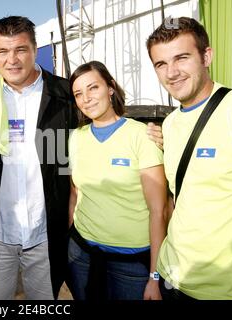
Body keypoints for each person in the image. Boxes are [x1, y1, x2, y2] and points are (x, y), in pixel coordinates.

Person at [0, 16, 79, 300]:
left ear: (35, 48)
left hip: (46, 232)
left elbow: (99, 131)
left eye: (20, 49)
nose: (12, 60)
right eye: (2, 52)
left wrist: (151, 132)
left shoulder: (66, 94)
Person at [146, 17, 232, 300]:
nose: (171, 73)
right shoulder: (170, 124)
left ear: (206, 56)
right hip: (173, 277)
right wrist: (156, 276)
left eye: (181, 58)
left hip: (220, 289)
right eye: (161, 64)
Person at [67, 61, 168, 300]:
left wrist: (155, 277)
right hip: (82, 255)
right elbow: (75, 192)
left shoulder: (141, 136)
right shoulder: (76, 138)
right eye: (78, 94)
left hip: (131, 264)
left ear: (110, 88)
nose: (86, 98)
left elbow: (159, 211)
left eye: (93, 88)